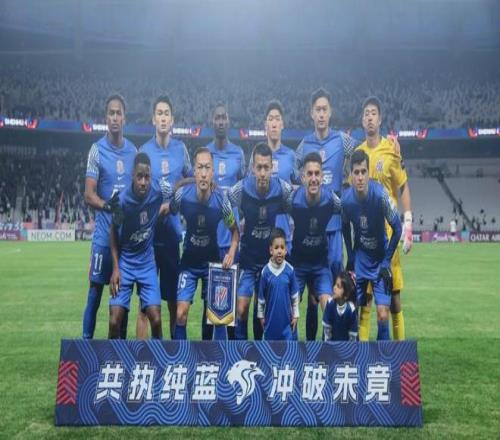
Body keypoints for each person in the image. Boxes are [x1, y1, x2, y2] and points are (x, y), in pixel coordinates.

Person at [295, 88, 360, 341]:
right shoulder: (304, 145)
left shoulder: (343, 140)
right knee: (312, 297)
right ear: (311, 114)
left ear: (330, 112)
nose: (321, 114)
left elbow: (361, 156)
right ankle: (312, 346)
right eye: (317, 110)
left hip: (334, 225)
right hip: (311, 227)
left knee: (335, 289)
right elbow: (294, 173)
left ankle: (335, 343)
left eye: (325, 110)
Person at [356, 96, 412, 341]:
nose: (370, 117)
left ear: (380, 119)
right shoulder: (357, 153)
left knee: (394, 300)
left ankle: (399, 353)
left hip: (389, 239)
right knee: (365, 301)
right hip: (365, 239)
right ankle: (362, 356)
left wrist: (408, 224)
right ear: (362, 120)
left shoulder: (391, 149)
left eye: (373, 113)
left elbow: (403, 185)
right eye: (366, 113)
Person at [82, 93, 137, 339]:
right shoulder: (96, 150)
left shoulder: (133, 151)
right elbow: (88, 194)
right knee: (95, 293)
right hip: (103, 239)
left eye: (118, 113)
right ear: (106, 118)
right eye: (111, 113)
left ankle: (118, 351)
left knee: (121, 301)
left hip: (125, 241)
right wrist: (109, 207)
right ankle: (86, 345)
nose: (115, 117)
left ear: (124, 118)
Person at [170, 147, 239, 340]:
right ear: (194, 171)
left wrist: (231, 253)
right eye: (199, 167)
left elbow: (235, 232)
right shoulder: (182, 196)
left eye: (207, 168)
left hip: (212, 265)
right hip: (189, 264)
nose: (203, 173)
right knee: (180, 314)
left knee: (215, 317)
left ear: (213, 172)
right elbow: (171, 210)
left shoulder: (221, 202)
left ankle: (210, 354)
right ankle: (181, 355)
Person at [139, 94, 192, 339]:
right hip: (147, 238)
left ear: (172, 120)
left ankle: (171, 353)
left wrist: (173, 200)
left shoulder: (181, 150)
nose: (163, 118)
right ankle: (142, 355)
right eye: (159, 113)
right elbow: (136, 189)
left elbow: (192, 180)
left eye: (166, 114)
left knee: (172, 300)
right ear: (153, 119)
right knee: (145, 306)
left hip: (171, 236)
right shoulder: (144, 151)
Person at [228, 142, 292, 340]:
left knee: (262, 312)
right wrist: (235, 229)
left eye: (266, 167)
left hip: (269, 262)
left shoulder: (283, 189)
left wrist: (289, 237)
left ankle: (259, 351)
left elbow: (294, 209)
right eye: (259, 167)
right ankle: (239, 349)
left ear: (272, 168)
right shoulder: (240, 190)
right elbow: (225, 204)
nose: (263, 173)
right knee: (241, 308)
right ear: (253, 169)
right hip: (247, 260)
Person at [108, 152, 171, 339]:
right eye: (139, 177)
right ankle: (114, 357)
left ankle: (157, 356)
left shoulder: (158, 190)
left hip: (147, 264)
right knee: (114, 321)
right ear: (133, 176)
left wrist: (193, 182)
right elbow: (113, 233)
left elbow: (177, 190)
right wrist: (115, 268)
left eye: (147, 177)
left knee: (156, 319)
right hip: (126, 263)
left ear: (151, 176)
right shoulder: (121, 201)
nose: (143, 182)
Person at [341, 150, 402, 341]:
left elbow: (398, 228)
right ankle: (355, 354)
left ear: (369, 173)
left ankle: (382, 355)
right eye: (356, 172)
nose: (360, 177)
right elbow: (344, 227)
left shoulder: (381, 196)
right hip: (360, 260)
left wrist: (386, 261)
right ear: (351, 175)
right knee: (352, 312)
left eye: (363, 172)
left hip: (380, 261)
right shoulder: (346, 200)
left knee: (383, 314)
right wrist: (351, 256)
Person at [288, 152, 341, 335]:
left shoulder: (331, 200)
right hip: (298, 264)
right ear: (303, 177)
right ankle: (292, 349)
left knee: (328, 309)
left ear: (322, 176)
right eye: (309, 174)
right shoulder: (292, 200)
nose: (313, 178)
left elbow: (349, 211)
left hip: (320, 265)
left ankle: (328, 349)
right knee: (290, 309)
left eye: (317, 174)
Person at [204, 102, 245, 340]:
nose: (220, 121)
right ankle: (205, 353)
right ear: (213, 121)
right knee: (209, 302)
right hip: (209, 239)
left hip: (231, 239)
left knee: (231, 301)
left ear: (228, 121)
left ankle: (232, 353)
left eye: (224, 117)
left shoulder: (238, 154)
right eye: (217, 117)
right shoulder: (205, 154)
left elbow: (245, 190)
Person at [257, 228, 300, 341]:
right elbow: (261, 299)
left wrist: (296, 315)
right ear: (271, 250)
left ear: (286, 250)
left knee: (289, 350)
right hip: (270, 323)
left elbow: (295, 296)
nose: (279, 251)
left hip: (287, 324)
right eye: (276, 248)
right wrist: (261, 316)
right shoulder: (265, 272)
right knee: (270, 350)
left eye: (282, 247)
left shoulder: (290, 270)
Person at [322, 271, 358, 341]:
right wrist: (328, 344)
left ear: (346, 295)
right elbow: (327, 330)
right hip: (331, 344)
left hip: (347, 345)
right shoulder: (330, 303)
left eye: (338, 286)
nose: (334, 287)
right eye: (335, 284)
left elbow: (353, 335)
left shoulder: (351, 309)